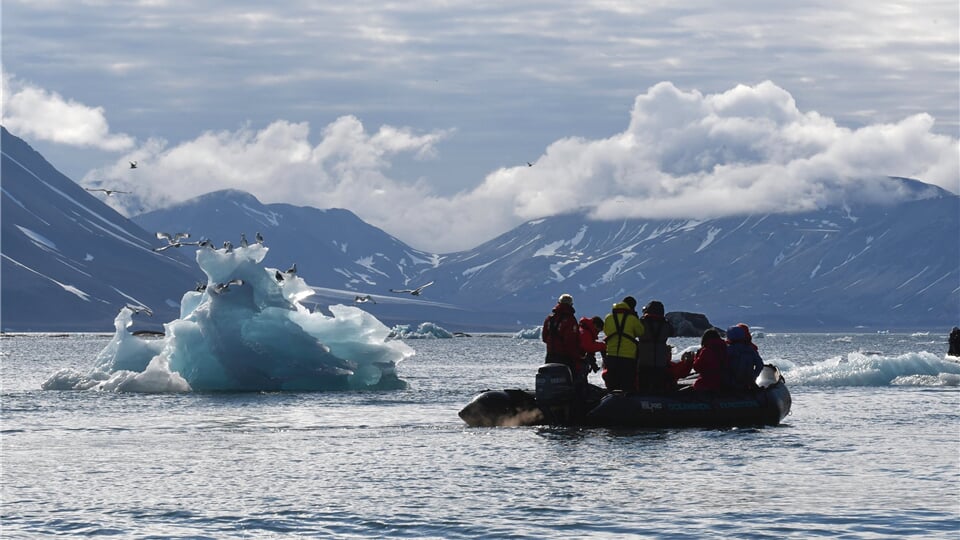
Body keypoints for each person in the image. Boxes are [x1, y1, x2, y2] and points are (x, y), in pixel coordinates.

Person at [602, 296, 645, 392]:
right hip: (628, 357)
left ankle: (612, 403)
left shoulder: (608, 318)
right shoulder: (632, 319)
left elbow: (606, 332)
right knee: (627, 384)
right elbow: (641, 332)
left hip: (611, 356)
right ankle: (627, 404)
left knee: (612, 383)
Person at [635, 300, 675, 393]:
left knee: (643, 388)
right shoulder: (666, 325)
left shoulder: (642, 322)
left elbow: (634, 332)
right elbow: (672, 332)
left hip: (644, 361)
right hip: (660, 362)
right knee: (659, 388)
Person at [541, 294, 582, 375]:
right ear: (571, 305)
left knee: (550, 377)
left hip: (550, 355)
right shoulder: (570, 320)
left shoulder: (549, 318)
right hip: (565, 357)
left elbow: (544, 337)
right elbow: (571, 341)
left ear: (558, 303)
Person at [726, 325, 764, 389]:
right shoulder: (751, 349)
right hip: (747, 384)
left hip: (731, 385)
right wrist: (753, 377)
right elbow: (760, 365)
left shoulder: (727, 350)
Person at [578, 316, 606, 381]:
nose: (598, 333)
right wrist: (603, 346)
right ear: (595, 325)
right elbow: (588, 347)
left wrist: (592, 361)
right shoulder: (585, 332)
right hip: (576, 361)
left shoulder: (585, 329)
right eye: (598, 330)